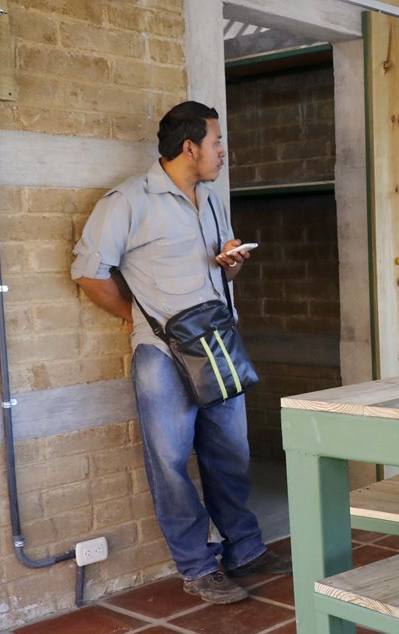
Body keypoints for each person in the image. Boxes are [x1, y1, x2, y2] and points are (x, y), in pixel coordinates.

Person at [71, 101, 290, 604]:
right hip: (162, 355)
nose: (223, 151)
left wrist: (232, 264)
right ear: (190, 147)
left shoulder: (210, 199)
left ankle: (246, 550)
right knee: (170, 462)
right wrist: (136, 319)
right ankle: (197, 566)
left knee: (230, 453)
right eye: (217, 142)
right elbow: (88, 273)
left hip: (219, 344)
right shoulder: (129, 201)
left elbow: (223, 269)